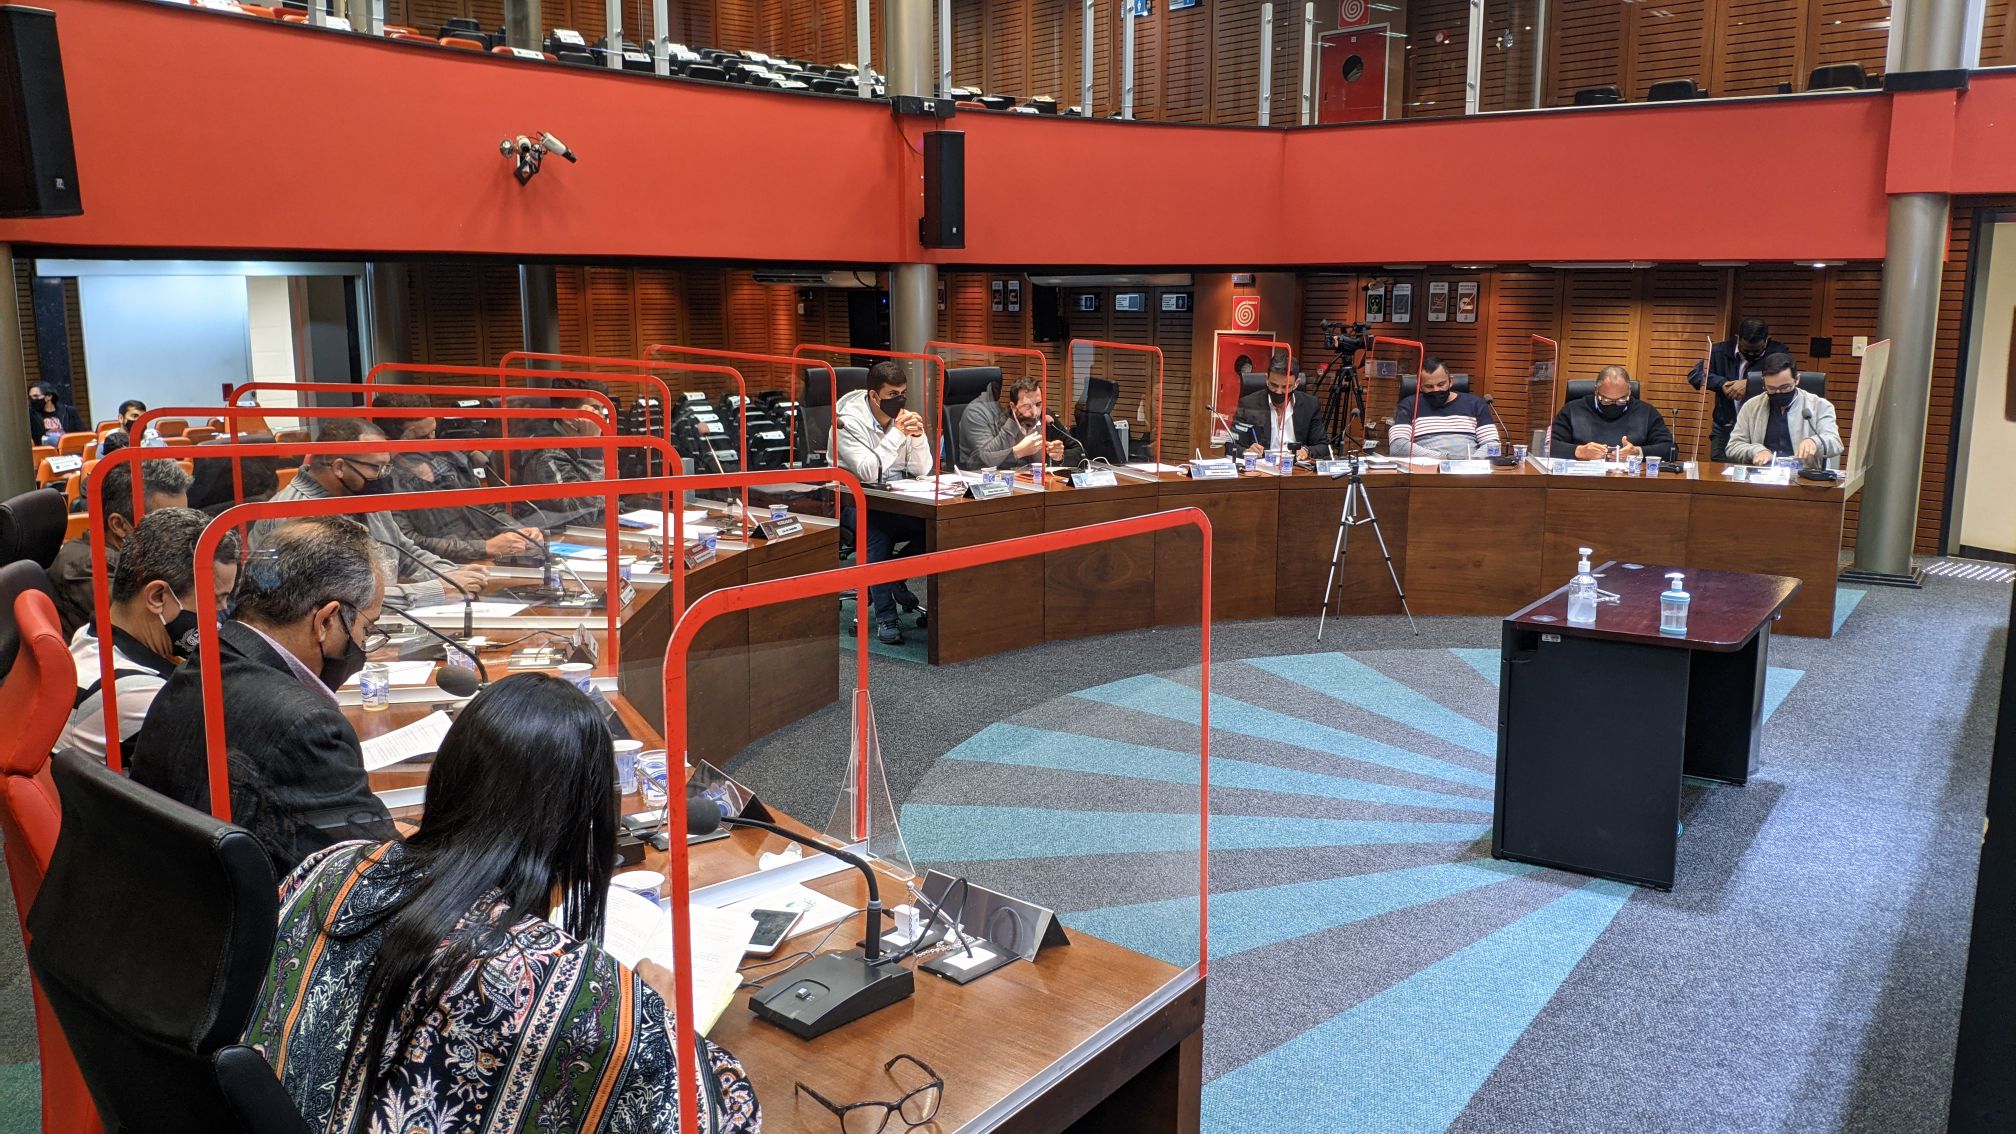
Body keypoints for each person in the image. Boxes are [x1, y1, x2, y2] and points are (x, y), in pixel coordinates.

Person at [241, 674, 760, 1134]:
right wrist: (666, 1023)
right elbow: (726, 1119)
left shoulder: (331, 867)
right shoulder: (560, 987)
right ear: (583, 822)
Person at [131, 516, 398, 871]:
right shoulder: (307, 726)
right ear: (326, 621)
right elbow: (378, 872)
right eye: (366, 628)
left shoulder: (198, 668)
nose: (363, 645)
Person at [59, 508, 239, 766]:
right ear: (157, 597)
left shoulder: (91, 635)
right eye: (215, 599)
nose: (221, 612)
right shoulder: (135, 694)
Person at [251, 418, 487, 610]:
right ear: (339, 467)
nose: (384, 476)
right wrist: (435, 591)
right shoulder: (295, 517)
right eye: (376, 468)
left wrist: (453, 574)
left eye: (387, 466)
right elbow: (343, 599)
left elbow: (404, 553)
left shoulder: (362, 494)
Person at [374, 392, 541, 563]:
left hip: (488, 555)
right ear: (389, 440)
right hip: (445, 565)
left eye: (433, 432)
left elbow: (486, 508)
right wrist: (484, 547)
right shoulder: (384, 482)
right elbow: (407, 542)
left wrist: (518, 531)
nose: (431, 442)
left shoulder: (448, 459)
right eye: (421, 437)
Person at [837, 360, 929, 644]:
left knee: (938, 527)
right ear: (874, 396)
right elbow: (867, 471)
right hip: (853, 503)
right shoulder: (846, 422)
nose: (899, 400)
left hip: (897, 500)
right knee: (877, 529)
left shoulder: (902, 418)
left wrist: (917, 437)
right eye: (892, 394)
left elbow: (922, 469)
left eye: (903, 393)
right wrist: (898, 434)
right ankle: (886, 617)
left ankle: (892, 576)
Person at [50, 458, 192, 638]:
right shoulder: (88, 567)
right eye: (167, 524)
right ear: (119, 525)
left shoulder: (141, 555)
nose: (182, 533)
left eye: (184, 520)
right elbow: (156, 625)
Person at [1688, 317, 1790, 462]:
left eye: (1757, 351)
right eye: (1746, 350)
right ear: (1738, 339)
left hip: (1760, 424)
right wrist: (1721, 383)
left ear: (1766, 341)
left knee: (1760, 467)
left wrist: (1750, 383)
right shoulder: (1719, 351)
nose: (1751, 355)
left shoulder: (1777, 352)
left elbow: (1784, 379)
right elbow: (1695, 375)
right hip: (1725, 423)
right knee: (1718, 469)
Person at [520, 379, 613, 525]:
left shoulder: (587, 440)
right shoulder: (546, 455)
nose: (602, 417)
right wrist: (592, 446)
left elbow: (610, 499)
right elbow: (584, 517)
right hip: (557, 532)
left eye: (603, 410)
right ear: (568, 416)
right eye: (594, 410)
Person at [1726, 353, 1844, 467]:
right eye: (1771, 388)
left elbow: (1835, 442)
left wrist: (1815, 442)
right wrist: (1756, 451)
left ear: (1797, 379)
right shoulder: (1751, 406)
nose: (1778, 392)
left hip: (1804, 474)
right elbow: (1733, 446)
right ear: (1764, 382)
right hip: (1763, 473)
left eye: (1785, 387)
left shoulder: (1819, 406)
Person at [1550, 365, 1676, 462]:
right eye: (1605, 400)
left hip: (1630, 482)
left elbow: (1670, 449)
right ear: (1596, 391)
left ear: (1629, 392)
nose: (1613, 405)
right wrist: (1579, 451)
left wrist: (1638, 452)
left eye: (1621, 400)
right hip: (1581, 480)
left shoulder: (1646, 412)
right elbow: (1548, 446)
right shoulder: (1573, 410)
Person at [1387, 357, 1499, 458]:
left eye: (1441, 385)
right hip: (1426, 470)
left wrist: (1472, 463)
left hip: (1469, 470)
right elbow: (1397, 447)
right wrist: (1444, 458)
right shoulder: (1409, 405)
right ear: (1419, 386)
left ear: (1451, 381)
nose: (1436, 390)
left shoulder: (1476, 404)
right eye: (1429, 386)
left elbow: (1494, 446)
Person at [962, 375, 1079, 469]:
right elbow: (978, 463)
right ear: (1013, 407)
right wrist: (1018, 452)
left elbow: (1080, 452)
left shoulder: (1046, 417)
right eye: (1027, 406)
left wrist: (1060, 456)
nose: (1035, 412)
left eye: (1038, 404)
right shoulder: (1000, 423)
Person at [1229, 357, 1332, 461]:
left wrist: (1306, 450)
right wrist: (1247, 451)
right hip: (1262, 467)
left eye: (1285, 387)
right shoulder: (1248, 404)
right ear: (1267, 379)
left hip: (1296, 468)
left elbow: (1323, 446)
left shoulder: (1310, 404)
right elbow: (1231, 445)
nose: (1278, 391)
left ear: (1296, 383)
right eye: (1274, 385)